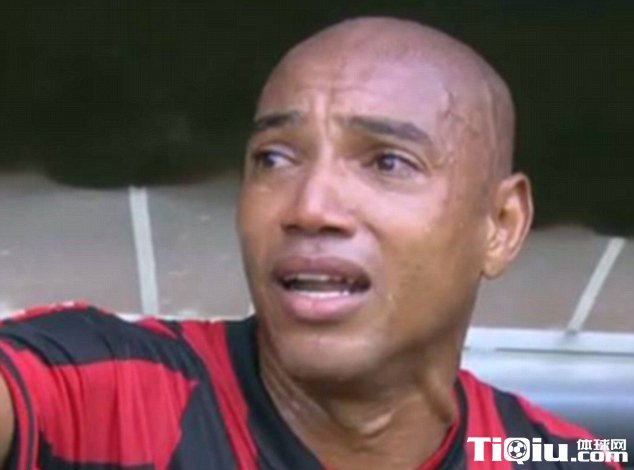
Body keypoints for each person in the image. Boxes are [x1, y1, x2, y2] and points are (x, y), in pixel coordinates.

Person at [0, 17, 622, 470]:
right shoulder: (105, 392)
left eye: (387, 162)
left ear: (502, 225)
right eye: (274, 158)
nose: (310, 207)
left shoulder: (549, 454)